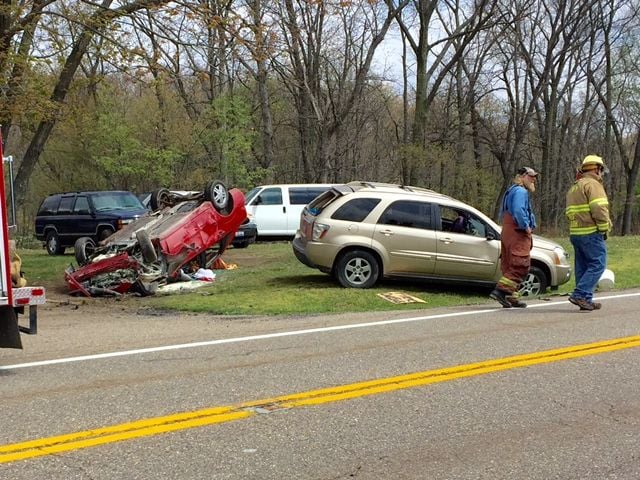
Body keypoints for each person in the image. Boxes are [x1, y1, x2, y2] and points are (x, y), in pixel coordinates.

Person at [565, 155, 612, 311]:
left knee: (583, 267)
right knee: (598, 264)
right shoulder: (593, 185)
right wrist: (604, 227)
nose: (601, 174)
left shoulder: (575, 186)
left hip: (576, 233)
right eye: (601, 170)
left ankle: (585, 299)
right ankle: (580, 294)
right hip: (591, 232)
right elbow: (599, 208)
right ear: (597, 168)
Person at [490, 166, 539, 308]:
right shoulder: (521, 191)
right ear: (522, 176)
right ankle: (500, 291)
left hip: (508, 231)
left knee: (509, 264)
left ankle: (512, 297)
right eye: (531, 176)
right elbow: (518, 210)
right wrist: (526, 226)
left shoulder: (511, 190)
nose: (533, 179)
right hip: (517, 232)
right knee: (520, 265)